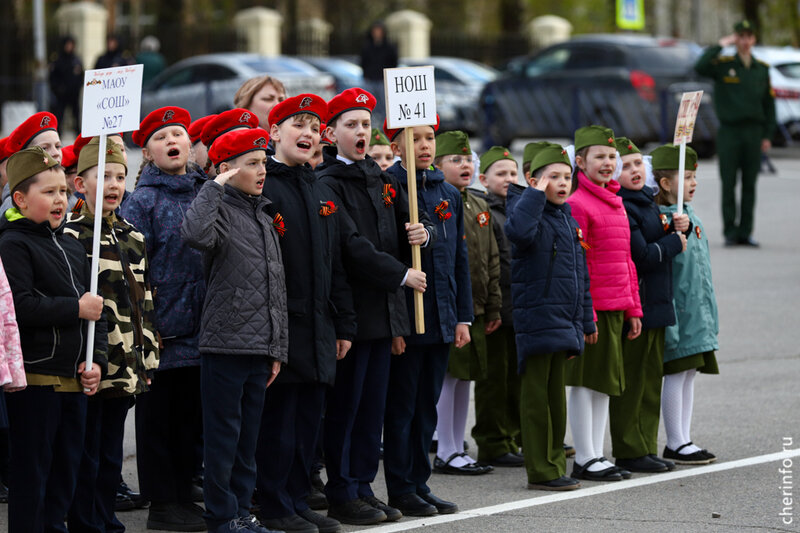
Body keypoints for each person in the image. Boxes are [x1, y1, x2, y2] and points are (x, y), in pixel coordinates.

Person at [315, 87, 432, 526]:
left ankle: (363, 485)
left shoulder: (381, 177)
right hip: (354, 311)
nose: (361, 132)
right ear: (332, 133)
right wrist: (400, 275)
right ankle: (342, 489)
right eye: (351, 125)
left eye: (365, 124)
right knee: (347, 405)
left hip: (384, 313)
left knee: (372, 407)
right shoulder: (328, 182)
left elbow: (409, 226)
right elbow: (351, 245)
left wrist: (421, 236)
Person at [253, 94, 355, 533]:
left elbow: (334, 261)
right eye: (298, 125)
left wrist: (344, 321)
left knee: (307, 421)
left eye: (314, 128)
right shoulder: (264, 184)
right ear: (274, 132)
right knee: (278, 422)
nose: (308, 134)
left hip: (319, 321)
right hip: (280, 323)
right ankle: (274, 504)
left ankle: (296, 499)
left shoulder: (316, 185)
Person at [181, 127, 287, 533]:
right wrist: (215, 186)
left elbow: (275, 286)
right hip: (226, 344)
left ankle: (243, 512)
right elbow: (194, 234)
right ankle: (221, 515)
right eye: (253, 164)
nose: (263, 171)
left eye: (264, 163)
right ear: (227, 169)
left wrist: (277, 348)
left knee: (247, 441)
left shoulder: (261, 213)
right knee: (224, 439)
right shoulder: (220, 207)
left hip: (259, 346)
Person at [0, 146, 107, 533]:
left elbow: (92, 316)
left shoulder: (72, 244)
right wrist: (74, 309)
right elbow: (21, 307)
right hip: (37, 380)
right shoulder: (13, 243)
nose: (60, 199)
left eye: (63, 191)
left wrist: (94, 362)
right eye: (48, 192)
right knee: (34, 477)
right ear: (20, 199)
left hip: (73, 379)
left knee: (65, 476)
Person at [65, 138, 160, 532]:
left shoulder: (132, 237)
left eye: (120, 176)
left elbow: (145, 303)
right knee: (85, 453)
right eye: (102, 176)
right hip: (93, 364)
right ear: (79, 184)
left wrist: (148, 357)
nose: (114, 184)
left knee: (109, 455)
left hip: (127, 364)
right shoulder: (70, 236)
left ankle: (106, 520)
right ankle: (86, 522)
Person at [120, 106, 208, 532]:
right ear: (149, 152)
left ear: (189, 144)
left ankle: (182, 494)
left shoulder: (205, 191)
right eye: (161, 137)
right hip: (161, 333)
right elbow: (132, 271)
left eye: (178, 133)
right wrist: (146, 327)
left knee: (191, 420)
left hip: (204, 330)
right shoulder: (142, 202)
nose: (172, 141)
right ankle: (162, 504)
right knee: (158, 422)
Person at [382, 117, 472, 517]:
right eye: (413, 138)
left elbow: (458, 260)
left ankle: (420, 482)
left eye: (429, 137)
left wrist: (461, 317)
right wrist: (395, 325)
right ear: (395, 145)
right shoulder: (388, 187)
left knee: (426, 408)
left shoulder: (447, 192)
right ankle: (401, 486)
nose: (423, 145)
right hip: (408, 318)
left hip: (439, 316)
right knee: (402, 407)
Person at [505, 142, 595, 491]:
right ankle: (541, 469)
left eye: (566, 177)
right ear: (533, 180)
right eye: (552, 177)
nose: (561, 183)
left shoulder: (566, 217)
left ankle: (555, 463)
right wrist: (534, 195)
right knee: (537, 401)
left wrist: (585, 322)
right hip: (538, 319)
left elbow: (579, 276)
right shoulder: (525, 208)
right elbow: (519, 233)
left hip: (564, 322)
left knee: (556, 400)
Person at [565, 125, 642, 483]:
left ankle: (597, 453)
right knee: (585, 383)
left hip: (615, 306)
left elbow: (626, 260)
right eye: (600, 156)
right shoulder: (578, 204)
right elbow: (576, 264)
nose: (608, 163)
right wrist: (585, 312)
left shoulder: (617, 201)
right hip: (592, 309)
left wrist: (633, 307)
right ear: (580, 162)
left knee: (604, 383)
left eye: (612, 157)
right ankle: (584, 455)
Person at [608, 138, 688, 474]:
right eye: (625, 166)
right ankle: (628, 448)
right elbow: (641, 254)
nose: (635, 171)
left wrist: (674, 225)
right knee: (633, 382)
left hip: (656, 301)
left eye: (638, 164)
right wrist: (674, 241)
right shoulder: (624, 206)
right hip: (638, 302)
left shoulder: (645, 202)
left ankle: (645, 444)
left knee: (651, 379)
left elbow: (655, 234)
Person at [432, 131, 499, 476]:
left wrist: (493, 305)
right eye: (455, 160)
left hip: (476, 306)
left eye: (468, 159)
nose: (465, 166)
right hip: (452, 305)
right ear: (437, 165)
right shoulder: (439, 200)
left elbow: (491, 258)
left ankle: (457, 447)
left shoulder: (478, 202)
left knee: (466, 379)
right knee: (449, 377)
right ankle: (445, 448)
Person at [653, 143, 720, 465]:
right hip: (678, 309)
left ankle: (685, 437)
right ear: (665, 184)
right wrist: (670, 227)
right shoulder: (663, 219)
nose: (694, 183)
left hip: (697, 308)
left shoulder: (689, 215)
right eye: (688, 177)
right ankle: (675, 441)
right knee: (676, 371)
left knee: (690, 370)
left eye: (696, 176)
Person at [694, 20, 776, 247]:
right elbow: (700, 66)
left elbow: (769, 105)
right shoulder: (724, 64)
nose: (745, 41)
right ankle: (730, 231)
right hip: (730, 131)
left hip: (754, 132)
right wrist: (721, 44)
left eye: (749, 36)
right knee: (728, 182)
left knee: (750, 184)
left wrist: (767, 135)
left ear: (754, 39)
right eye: (740, 36)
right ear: (735, 38)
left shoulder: (761, 69)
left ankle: (745, 232)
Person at [471, 145, 524, 467]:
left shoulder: (520, 208)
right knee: (494, 379)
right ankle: (492, 440)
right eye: (501, 173)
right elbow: (489, 263)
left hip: (520, 307)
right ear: (484, 178)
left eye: (513, 173)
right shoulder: (485, 211)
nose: (508, 179)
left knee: (515, 377)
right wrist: (493, 306)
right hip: (497, 307)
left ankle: (514, 435)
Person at [1, 112, 63, 215]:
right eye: (44, 148)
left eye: (57, 146)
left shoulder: (70, 197)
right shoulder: (14, 206)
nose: (56, 153)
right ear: (25, 158)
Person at [360, 21, 397, 126]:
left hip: (383, 81)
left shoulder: (389, 47)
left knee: (385, 107)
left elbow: (393, 62)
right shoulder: (367, 46)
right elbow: (363, 62)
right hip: (370, 80)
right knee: (368, 105)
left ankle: (385, 127)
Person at [49, 36, 83, 134]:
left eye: (71, 45)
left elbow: (81, 76)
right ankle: (57, 136)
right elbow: (52, 77)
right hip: (61, 95)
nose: (69, 47)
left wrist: (77, 88)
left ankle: (78, 137)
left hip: (74, 94)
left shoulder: (76, 60)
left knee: (76, 117)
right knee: (59, 117)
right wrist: (58, 89)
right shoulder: (58, 60)